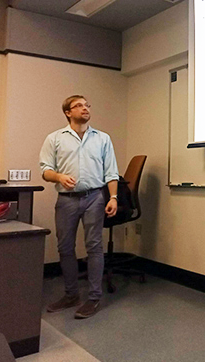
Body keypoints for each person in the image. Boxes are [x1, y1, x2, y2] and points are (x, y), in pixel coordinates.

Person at [39, 95, 119, 319]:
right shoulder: (54, 138)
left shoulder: (103, 138)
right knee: (65, 248)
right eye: (79, 106)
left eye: (87, 105)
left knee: (94, 246)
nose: (85, 109)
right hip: (66, 200)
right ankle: (71, 294)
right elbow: (45, 170)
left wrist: (113, 198)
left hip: (95, 197)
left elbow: (111, 172)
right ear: (68, 112)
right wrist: (59, 177)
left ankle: (93, 298)